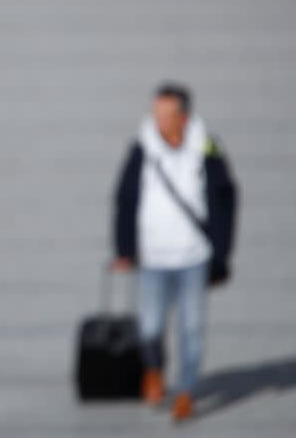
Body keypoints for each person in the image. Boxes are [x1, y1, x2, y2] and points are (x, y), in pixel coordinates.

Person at [111, 82, 237, 422]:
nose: (157, 119)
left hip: (193, 257)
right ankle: (153, 369)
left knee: (192, 329)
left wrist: (221, 253)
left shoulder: (206, 148)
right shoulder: (144, 147)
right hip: (153, 256)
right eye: (155, 112)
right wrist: (124, 249)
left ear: (183, 117)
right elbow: (125, 198)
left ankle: (184, 391)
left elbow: (224, 200)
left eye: (165, 113)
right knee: (149, 327)